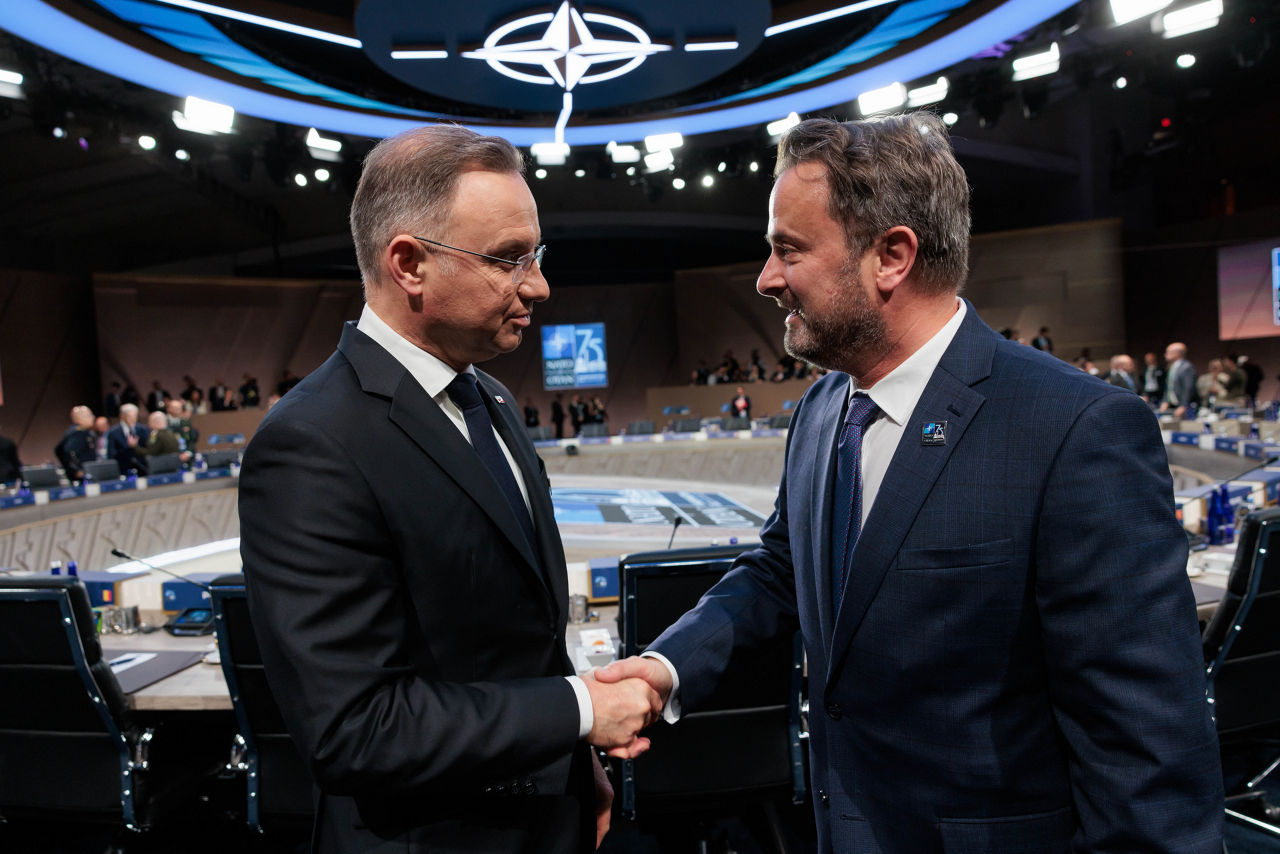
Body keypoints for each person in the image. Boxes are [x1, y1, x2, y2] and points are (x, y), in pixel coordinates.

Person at [597, 113, 1222, 853]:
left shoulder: (1075, 430)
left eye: (787, 250)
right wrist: (667, 668)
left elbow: (1146, 747)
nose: (766, 279)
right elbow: (781, 571)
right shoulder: (823, 409)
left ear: (891, 256)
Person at [238, 124, 660, 854]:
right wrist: (580, 711)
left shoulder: (489, 399)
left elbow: (517, 641)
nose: (538, 285)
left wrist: (572, 759)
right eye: (506, 260)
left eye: (536, 255)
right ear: (409, 264)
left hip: (549, 815)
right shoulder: (311, 443)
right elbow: (353, 730)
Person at [54, 405, 96, 481]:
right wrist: (76, 470)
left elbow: (58, 449)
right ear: (79, 418)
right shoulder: (79, 432)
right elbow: (68, 452)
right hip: (83, 475)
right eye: (89, 415)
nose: (93, 417)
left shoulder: (76, 431)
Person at [106, 403, 149, 473]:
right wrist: (129, 447)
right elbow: (111, 455)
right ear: (122, 416)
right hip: (123, 469)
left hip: (142, 468)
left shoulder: (143, 429)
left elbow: (148, 449)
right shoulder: (113, 433)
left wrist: (136, 447)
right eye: (130, 416)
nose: (133, 419)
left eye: (135, 416)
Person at [1162, 341, 1197, 418]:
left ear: (1177, 353)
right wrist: (1165, 401)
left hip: (1184, 407)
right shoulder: (1172, 367)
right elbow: (1169, 386)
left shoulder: (1186, 367)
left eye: (1168, 352)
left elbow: (1188, 388)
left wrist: (1183, 405)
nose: (1165, 354)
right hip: (1172, 405)